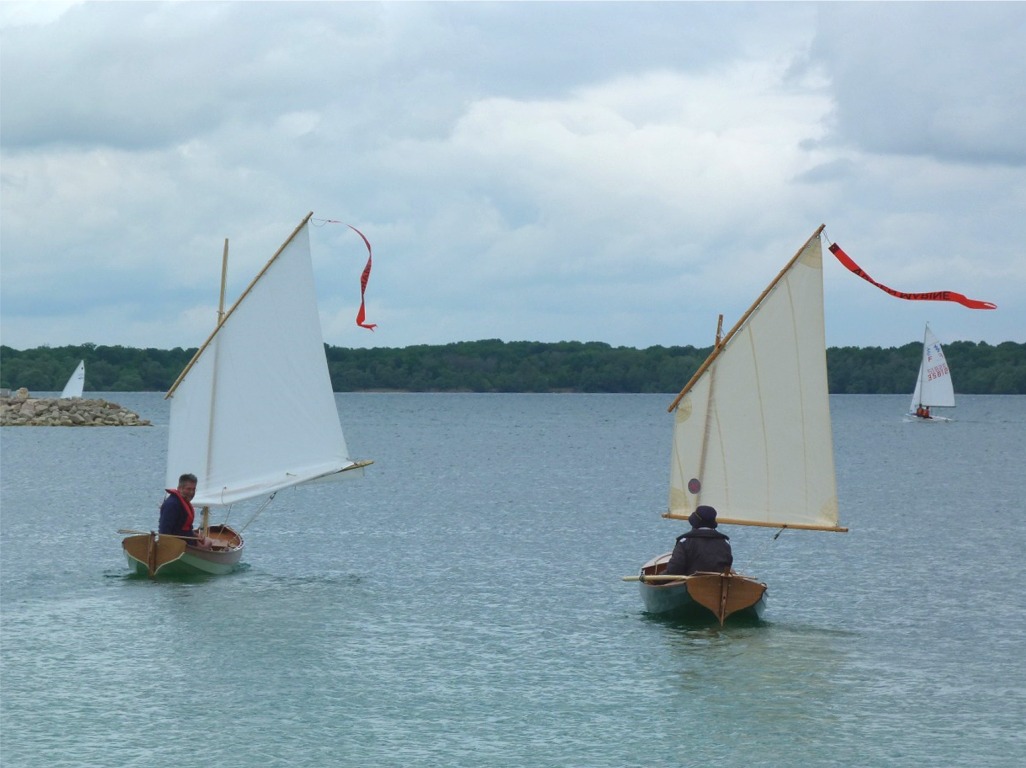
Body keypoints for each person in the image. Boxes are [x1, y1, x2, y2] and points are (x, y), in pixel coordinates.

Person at [663, 504, 733, 575]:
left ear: (694, 522)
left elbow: (674, 570)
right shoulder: (725, 543)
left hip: (690, 584)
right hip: (719, 584)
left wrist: (656, 580)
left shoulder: (685, 542)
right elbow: (727, 567)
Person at [158, 473, 200, 542]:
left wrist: (196, 535)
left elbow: (183, 528)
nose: (192, 492)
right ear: (179, 488)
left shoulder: (182, 502)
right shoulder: (172, 504)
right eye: (188, 489)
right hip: (177, 544)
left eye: (194, 489)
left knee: (208, 542)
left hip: (186, 539)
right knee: (207, 545)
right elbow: (164, 531)